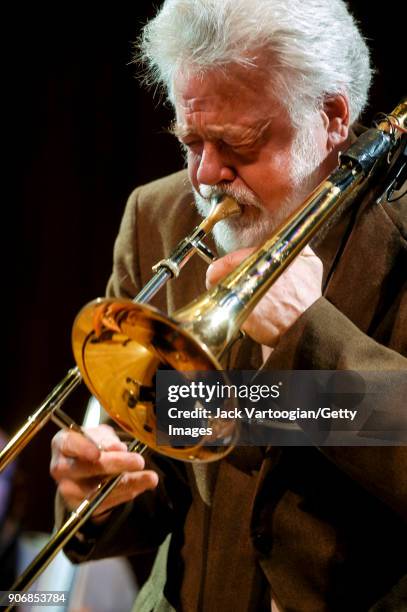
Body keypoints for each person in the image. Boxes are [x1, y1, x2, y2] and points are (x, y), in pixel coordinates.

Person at [50, 1, 407, 610]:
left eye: (239, 141)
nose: (207, 174)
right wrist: (95, 492)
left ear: (332, 116)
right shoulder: (156, 218)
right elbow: (166, 462)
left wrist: (310, 334)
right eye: (191, 140)